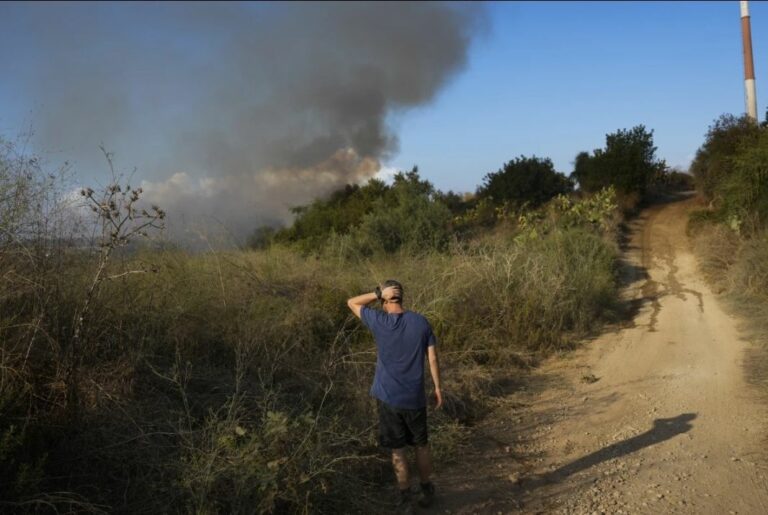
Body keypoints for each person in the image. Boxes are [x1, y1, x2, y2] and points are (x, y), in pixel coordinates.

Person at [346, 280, 443, 514]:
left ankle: (405, 499)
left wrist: (377, 293)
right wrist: (438, 388)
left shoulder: (379, 321)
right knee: (421, 445)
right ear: (403, 298)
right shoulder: (421, 322)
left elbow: (351, 302)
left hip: (389, 399)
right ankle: (427, 489)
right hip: (415, 399)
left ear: (386, 299)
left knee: (398, 450)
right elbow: (432, 358)